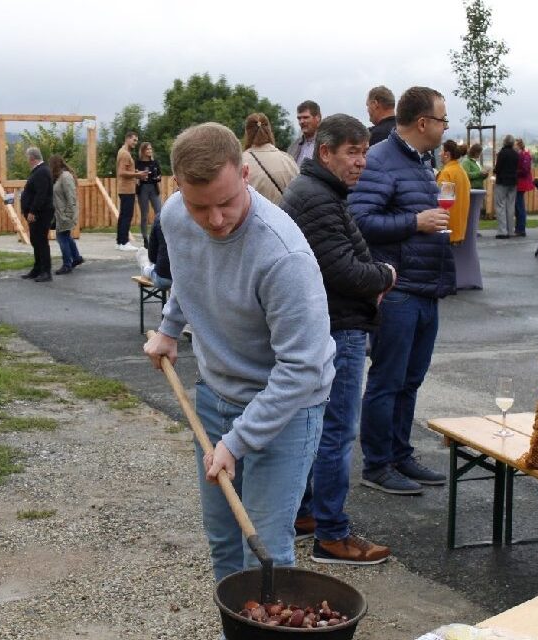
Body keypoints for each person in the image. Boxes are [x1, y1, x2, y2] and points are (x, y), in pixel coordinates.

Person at [143, 122, 335, 583]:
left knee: (265, 547)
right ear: (178, 189)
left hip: (287, 407)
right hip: (214, 396)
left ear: (245, 173)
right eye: (200, 206)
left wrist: (238, 440)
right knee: (224, 539)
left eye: (227, 202)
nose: (215, 220)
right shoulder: (174, 215)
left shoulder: (283, 255)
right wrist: (170, 329)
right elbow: (188, 278)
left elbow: (302, 367)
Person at [280, 114, 394, 565]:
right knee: (336, 432)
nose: (361, 161)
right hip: (338, 325)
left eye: (364, 151)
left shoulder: (319, 193)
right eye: (352, 151)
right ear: (325, 153)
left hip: (331, 322)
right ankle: (332, 534)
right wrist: (385, 274)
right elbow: (342, 271)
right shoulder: (319, 199)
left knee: (318, 428)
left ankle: (308, 514)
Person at [350, 86, 454, 495]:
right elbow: (359, 221)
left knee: (410, 380)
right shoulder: (380, 161)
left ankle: (399, 453)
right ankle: (377, 464)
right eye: (443, 119)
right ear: (424, 122)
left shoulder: (420, 161)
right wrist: (415, 223)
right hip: (398, 289)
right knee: (388, 380)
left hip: (425, 287)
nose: (447, 126)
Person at [242, 112, 299, 205]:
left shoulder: (239, 163)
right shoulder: (288, 160)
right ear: (269, 131)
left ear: (247, 133)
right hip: (285, 218)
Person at [19, 146, 55, 282]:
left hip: (41, 213)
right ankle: (37, 268)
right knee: (35, 240)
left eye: (28, 158)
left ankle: (46, 271)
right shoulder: (39, 171)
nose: (27, 160)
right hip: (37, 213)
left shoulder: (42, 172)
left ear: (32, 158)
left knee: (41, 241)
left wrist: (33, 211)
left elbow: (41, 194)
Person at [49, 155, 84, 275]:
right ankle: (76, 257)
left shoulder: (65, 177)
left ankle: (67, 264)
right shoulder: (61, 177)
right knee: (66, 236)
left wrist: (69, 214)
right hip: (61, 213)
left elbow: (71, 196)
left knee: (61, 237)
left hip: (65, 214)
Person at [115, 131, 148, 251]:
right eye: (134, 140)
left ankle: (119, 242)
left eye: (136, 140)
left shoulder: (123, 152)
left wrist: (136, 174)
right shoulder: (124, 154)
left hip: (125, 189)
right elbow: (121, 172)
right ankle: (124, 242)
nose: (135, 143)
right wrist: (138, 174)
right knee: (127, 216)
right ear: (127, 139)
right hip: (126, 189)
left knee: (123, 215)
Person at [436, 140, 471, 243]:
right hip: (459, 227)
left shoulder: (446, 173)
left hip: (447, 226)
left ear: (447, 154)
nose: (439, 154)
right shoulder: (462, 172)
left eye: (441, 151)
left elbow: (443, 202)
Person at [136, 142, 164, 246]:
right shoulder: (138, 163)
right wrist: (140, 176)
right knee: (144, 214)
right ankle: (145, 238)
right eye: (147, 149)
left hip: (154, 188)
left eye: (150, 149)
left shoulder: (155, 162)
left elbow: (160, 174)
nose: (150, 151)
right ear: (143, 151)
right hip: (143, 188)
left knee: (159, 212)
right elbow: (135, 175)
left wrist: (158, 178)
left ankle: (159, 236)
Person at [493, 135, 519, 239]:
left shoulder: (502, 153)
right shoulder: (516, 154)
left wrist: (495, 171)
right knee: (510, 206)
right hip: (513, 182)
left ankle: (502, 231)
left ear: (504, 142)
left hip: (502, 182)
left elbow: (498, 168)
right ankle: (510, 230)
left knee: (500, 206)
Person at [136, 214, 171, 289]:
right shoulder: (198, 218)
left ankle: (145, 266)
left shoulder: (160, 217)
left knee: (152, 270)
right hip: (193, 279)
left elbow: (152, 257)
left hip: (165, 278)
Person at [461, 143, 487, 221]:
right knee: (471, 212)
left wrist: (485, 175)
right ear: (475, 152)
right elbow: (466, 175)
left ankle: (474, 230)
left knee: (476, 212)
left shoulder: (476, 162)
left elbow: (478, 175)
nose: (479, 155)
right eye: (479, 153)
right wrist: (479, 173)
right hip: (472, 190)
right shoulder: (466, 162)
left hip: (478, 189)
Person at [515, 138, 534, 237]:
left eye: (515, 145)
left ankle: (521, 229)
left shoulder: (523, 155)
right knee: (518, 206)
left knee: (519, 206)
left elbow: (524, 170)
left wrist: (514, 172)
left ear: (519, 145)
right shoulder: (523, 154)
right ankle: (519, 228)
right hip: (521, 183)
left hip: (521, 183)